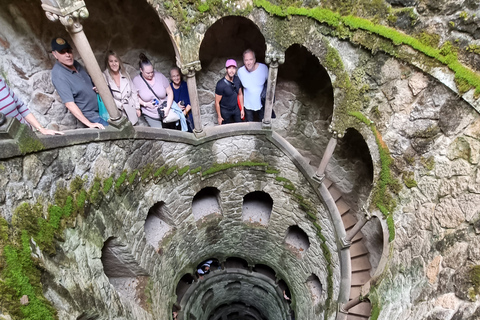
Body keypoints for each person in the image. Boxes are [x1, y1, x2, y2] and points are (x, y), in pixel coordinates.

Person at [50, 37, 107, 129]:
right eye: (62, 52)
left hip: (103, 110)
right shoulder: (58, 75)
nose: (67, 55)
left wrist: (96, 88)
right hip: (92, 117)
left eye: (69, 51)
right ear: (54, 54)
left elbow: (87, 83)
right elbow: (69, 103)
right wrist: (90, 124)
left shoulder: (75, 63)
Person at [132, 54, 187, 131]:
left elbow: (170, 92)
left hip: (165, 111)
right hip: (151, 114)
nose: (151, 74)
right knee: (160, 134)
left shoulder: (159, 76)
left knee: (173, 131)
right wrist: (145, 103)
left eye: (152, 72)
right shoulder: (136, 81)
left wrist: (167, 108)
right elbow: (135, 96)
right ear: (141, 70)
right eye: (148, 73)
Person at [103, 51, 141, 125]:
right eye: (111, 61)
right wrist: (120, 105)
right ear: (108, 63)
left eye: (116, 61)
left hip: (131, 109)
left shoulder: (124, 73)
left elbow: (133, 91)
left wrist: (137, 107)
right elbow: (107, 96)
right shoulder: (105, 76)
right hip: (117, 112)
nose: (114, 64)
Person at [237, 49, 269, 122]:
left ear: (254, 59)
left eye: (251, 59)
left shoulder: (263, 68)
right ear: (243, 61)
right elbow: (239, 91)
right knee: (249, 126)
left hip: (261, 105)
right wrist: (241, 108)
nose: (248, 63)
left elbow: (270, 84)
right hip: (247, 106)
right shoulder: (240, 72)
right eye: (246, 60)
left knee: (263, 125)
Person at [215, 59, 244, 125]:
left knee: (240, 126)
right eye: (229, 68)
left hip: (236, 108)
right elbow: (217, 102)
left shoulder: (237, 80)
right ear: (226, 69)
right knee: (226, 129)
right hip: (225, 111)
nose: (231, 70)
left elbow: (240, 94)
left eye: (233, 68)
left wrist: (242, 109)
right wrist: (219, 117)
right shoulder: (220, 84)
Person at [169, 67, 194, 132]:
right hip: (175, 116)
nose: (176, 78)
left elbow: (191, 101)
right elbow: (168, 103)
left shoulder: (186, 85)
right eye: (174, 76)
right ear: (171, 78)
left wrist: (184, 113)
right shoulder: (169, 88)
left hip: (187, 115)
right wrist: (176, 106)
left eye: (177, 75)